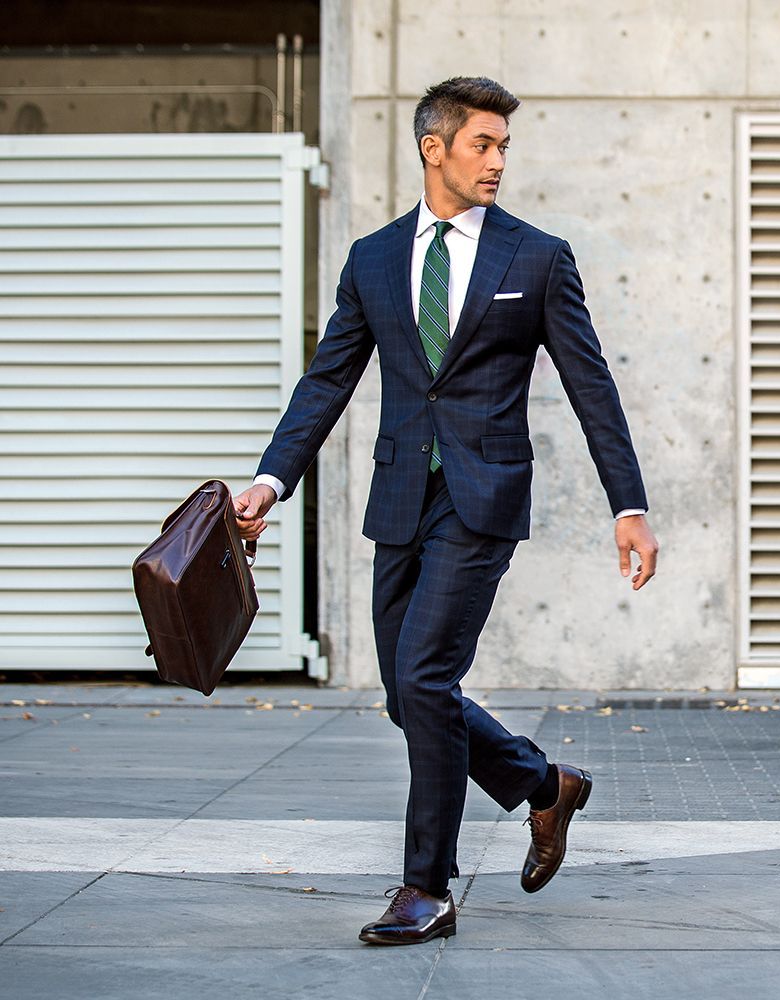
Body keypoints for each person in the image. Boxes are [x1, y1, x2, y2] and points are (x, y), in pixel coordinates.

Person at [233, 76, 659, 945]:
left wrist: (629, 504)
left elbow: (592, 388)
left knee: (425, 676)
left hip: (482, 498)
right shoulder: (375, 258)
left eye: (504, 147)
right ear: (435, 148)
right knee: (407, 694)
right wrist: (270, 481)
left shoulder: (536, 257)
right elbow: (327, 382)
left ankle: (426, 888)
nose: (498, 161)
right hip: (400, 495)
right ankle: (543, 785)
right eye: (482, 144)